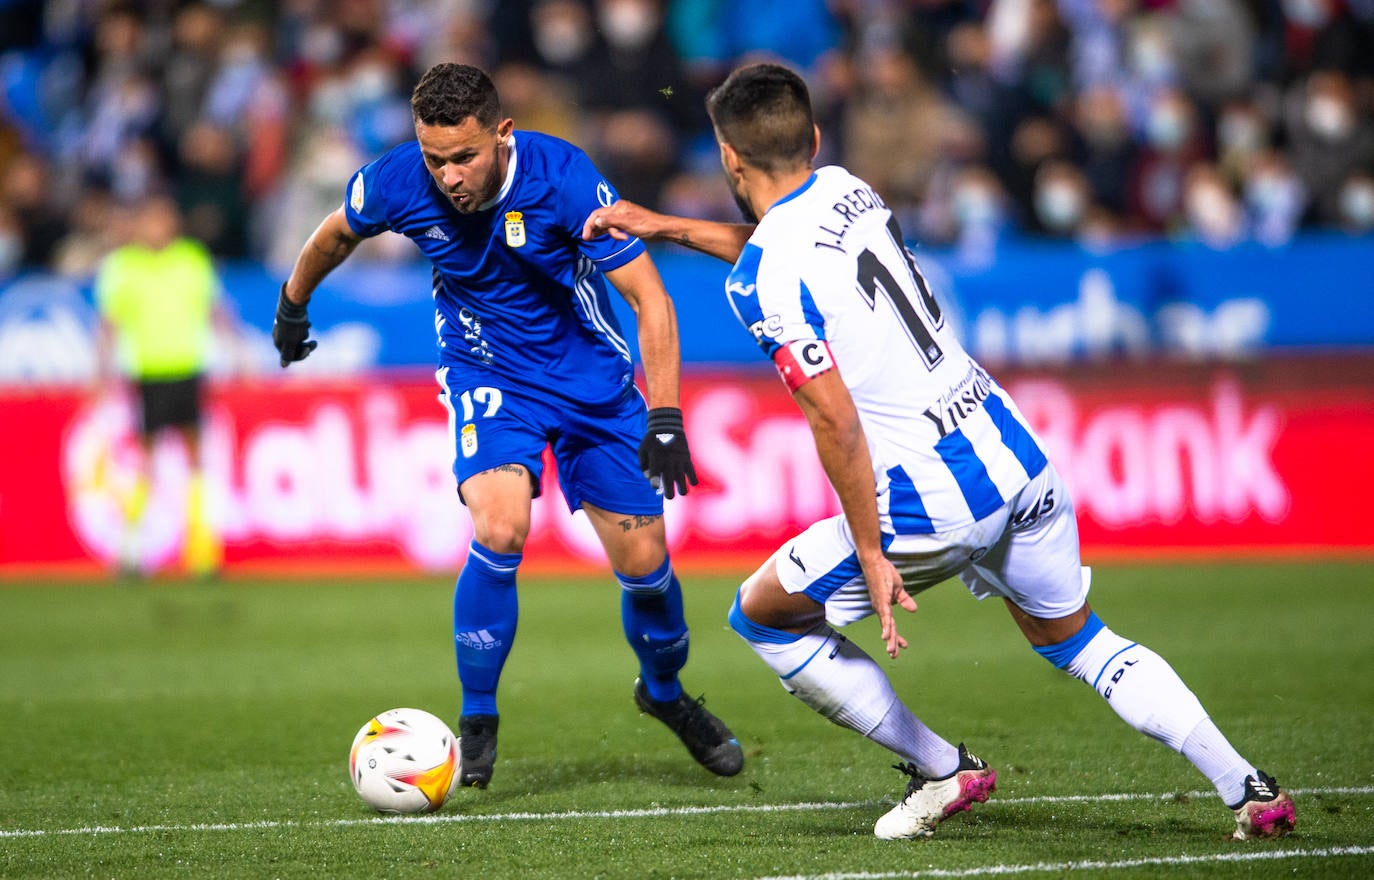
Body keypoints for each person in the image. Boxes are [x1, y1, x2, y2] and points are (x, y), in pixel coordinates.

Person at [582, 62, 1295, 841]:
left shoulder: (760, 284)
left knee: (763, 616)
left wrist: (871, 548)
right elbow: (782, 247)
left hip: (930, 496)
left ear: (728, 159)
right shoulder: (848, 188)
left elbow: (834, 419)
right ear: (814, 139)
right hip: (1011, 449)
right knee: (1082, 640)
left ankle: (941, 769)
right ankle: (1249, 789)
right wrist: (667, 227)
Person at [272, 62, 742, 788]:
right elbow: (334, 236)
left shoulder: (564, 178)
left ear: (502, 133)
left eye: (464, 157)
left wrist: (667, 416)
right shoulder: (396, 181)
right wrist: (291, 306)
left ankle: (666, 694)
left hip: (592, 385)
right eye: (436, 160)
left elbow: (650, 297)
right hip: (487, 375)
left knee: (646, 567)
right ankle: (479, 717)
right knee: (499, 527)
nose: (450, 176)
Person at [94, 193, 225, 578]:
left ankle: (201, 550)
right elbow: (109, 323)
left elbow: (214, 308)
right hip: (149, 373)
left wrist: (239, 351)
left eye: (163, 219)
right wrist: (100, 371)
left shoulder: (191, 259)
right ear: (138, 224)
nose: (158, 227)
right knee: (147, 458)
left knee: (195, 455)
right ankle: (131, 549)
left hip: (187, 369)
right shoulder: (122, 266)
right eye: (151, 220)